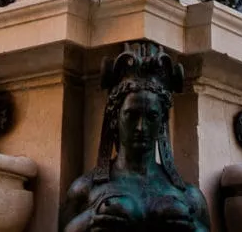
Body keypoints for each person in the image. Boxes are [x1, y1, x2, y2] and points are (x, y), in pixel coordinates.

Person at [60, 43, 210, 232]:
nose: (141, 127)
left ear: (162, 121)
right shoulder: (84, 190)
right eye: (131, 115)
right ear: (115, 118)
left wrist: (192, 227)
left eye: (151, 117)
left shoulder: (190, 196)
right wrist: (88, 222)